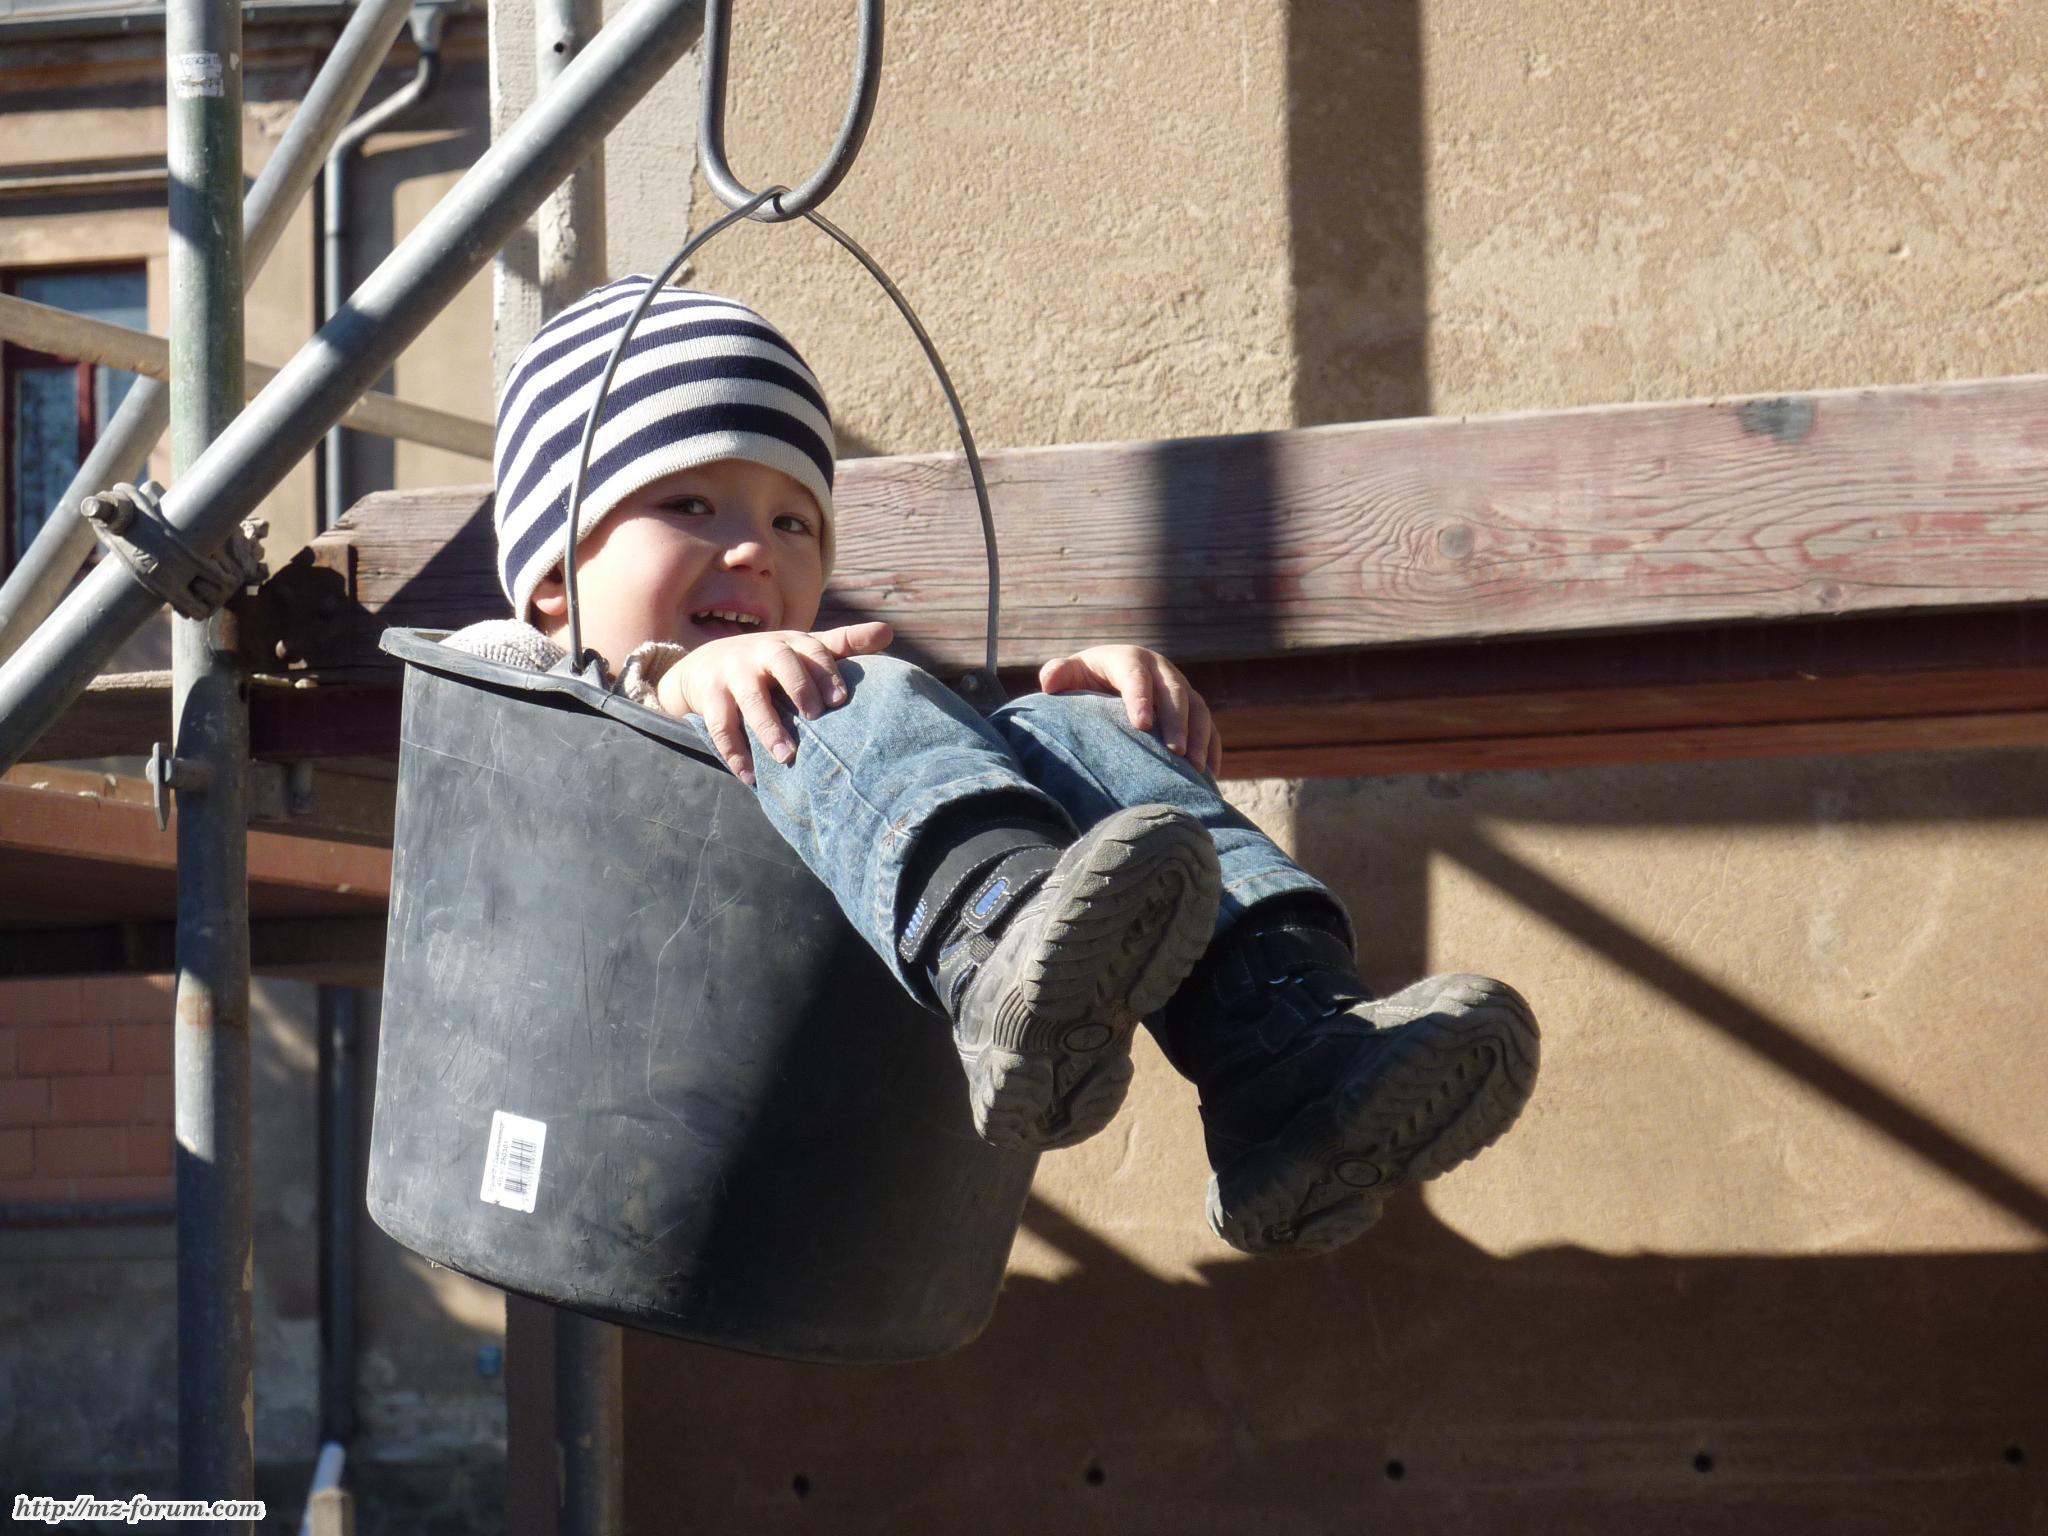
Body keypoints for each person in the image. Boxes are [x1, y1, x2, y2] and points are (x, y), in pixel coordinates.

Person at [450, 275, 1540, 1258]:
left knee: (1057, 731)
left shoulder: (810, 697)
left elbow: (898, 781)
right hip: (647, 1075)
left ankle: (1287, 1058)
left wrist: (1095, 727)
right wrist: (673, 679)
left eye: (793, 523)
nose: (755, 549)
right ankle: (999, 948)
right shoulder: (516, 671)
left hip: (845, 1021)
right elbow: (524, 710)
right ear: (549, 575)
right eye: (688, 504)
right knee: (829, 690)